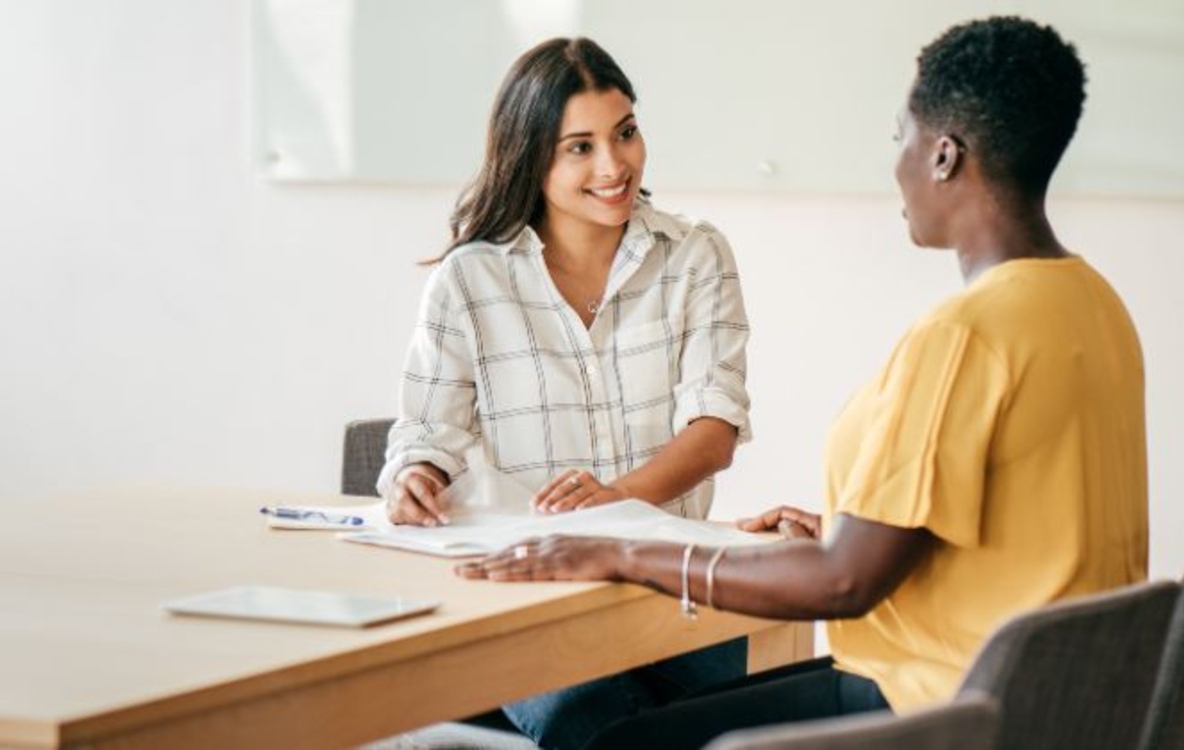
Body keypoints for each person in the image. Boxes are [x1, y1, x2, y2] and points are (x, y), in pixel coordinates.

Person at [457, 16, 1148, 749]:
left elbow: (844, 585)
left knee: (611, 742)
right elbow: (1026, 530)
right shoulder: (1094, 306)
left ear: (944, 156)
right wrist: (847, 530)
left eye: (900, 140)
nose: (898, 166)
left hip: (936, 709)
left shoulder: (963, 337)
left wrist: (619, 551)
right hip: (1052, 710)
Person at [379, 38, 753, 748]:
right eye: (578, 147)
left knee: (749, 713)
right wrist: (417, 476)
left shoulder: (696, 255)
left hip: (671, 590)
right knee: (592, 725)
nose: (614, 166)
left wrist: (620, 501)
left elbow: (715, 427)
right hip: (528, 598)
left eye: (625, 133)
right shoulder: (468, 281)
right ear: (531, 157)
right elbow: (427, 432)